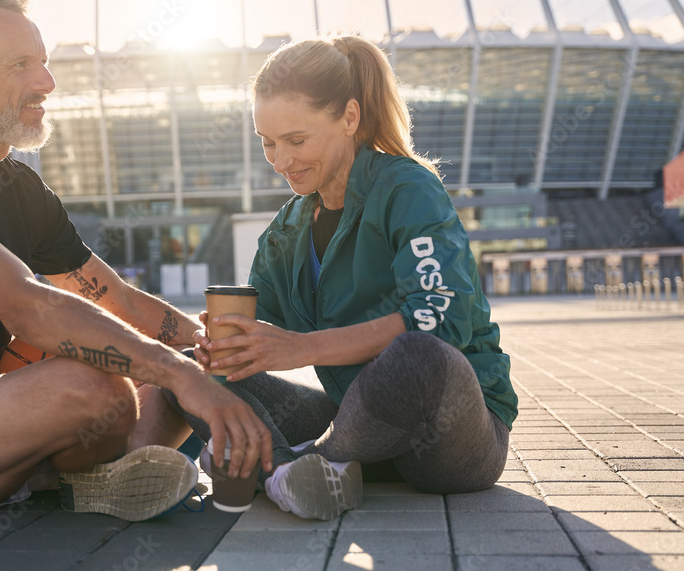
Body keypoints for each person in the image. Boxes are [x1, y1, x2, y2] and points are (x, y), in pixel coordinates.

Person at [0, 0, 271, 521]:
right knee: (101, 387)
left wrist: (209, 351)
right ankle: (80, 475)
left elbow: (119, 302)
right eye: (20, 64)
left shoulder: (20, 189)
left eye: (43, 63)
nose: (46, 83)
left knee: (178, 369)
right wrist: (180, 376)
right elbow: (29, 308)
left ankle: (87, 483)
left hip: (0, 414)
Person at [165, 35, 519, 520]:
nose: (281, 161)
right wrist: (222, 348)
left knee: (417, 355)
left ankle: (285, 467)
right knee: (185, 371)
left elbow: (442, 320)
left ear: (349, 118)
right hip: (358, 426)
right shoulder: (288, 230)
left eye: (297, 141)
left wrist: (301, 348)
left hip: (448, 435)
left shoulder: (407, 189)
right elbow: (251, 340)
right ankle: (292, 473)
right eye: (268, 143)